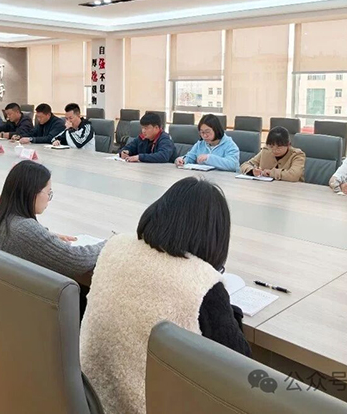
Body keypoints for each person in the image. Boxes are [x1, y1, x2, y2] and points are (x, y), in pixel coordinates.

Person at [80, 177, 250, 414]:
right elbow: (240, 365)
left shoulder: (115, 246)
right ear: (214, 236)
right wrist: (231, 311)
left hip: (91, 397)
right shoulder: (201, 282)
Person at [0, 160, 104, 311]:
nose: (49, 198)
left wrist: (46, 235)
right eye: (48, 192)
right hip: (24, 311)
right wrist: (109, 244)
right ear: (32, 193)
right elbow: (76, 260)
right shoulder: (24, 230)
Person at [175, 114, 239, 171]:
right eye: (202, 132)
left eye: (207, 132)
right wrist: (183, 160)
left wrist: (209, 158)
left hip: (224, 178)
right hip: (203, 177)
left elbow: (233, 165)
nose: (205, 135)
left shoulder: (229, 144)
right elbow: (190, 157)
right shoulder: (200, 144)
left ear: (216, 130)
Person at [239, 126, 306, 182]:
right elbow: (245, 165)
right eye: (271, 146)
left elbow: (293, 176)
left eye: (279, 147)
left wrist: (270, 173)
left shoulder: (297, 155)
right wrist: (252, 171)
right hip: (268, 189)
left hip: (292, 190)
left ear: (288, 145)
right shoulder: (266, 151)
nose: (274, 150)